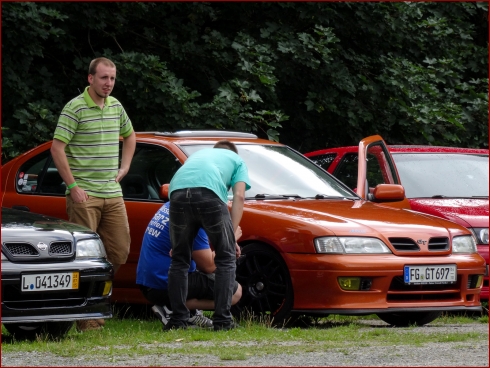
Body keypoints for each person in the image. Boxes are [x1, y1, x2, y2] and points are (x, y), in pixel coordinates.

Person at [51, 57, 136, 331]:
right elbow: (56, 148)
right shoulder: (74, 108)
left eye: (112, 78)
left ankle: (94, 300)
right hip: (84, 195)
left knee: (119, 251)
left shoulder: (116, 106)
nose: (108, 83)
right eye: (103, 78)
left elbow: (131, 136)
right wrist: (73, 186)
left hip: (112, 193)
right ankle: (86, 316)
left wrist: (125, 166)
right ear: (90, 79)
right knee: (84, 257)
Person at [166, 140, 250, 331]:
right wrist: (230, 236)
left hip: (177, 193)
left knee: (179, 260)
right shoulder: (237, 160)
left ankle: (178, 320)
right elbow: (239, 196)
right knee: (226, 259)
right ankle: (222, 321)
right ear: (234, 153)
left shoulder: (199, 156)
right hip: (209, 193)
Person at [136, 201, 243, 329]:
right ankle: (173, 308)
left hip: (147, 283)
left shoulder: (174, 204)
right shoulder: (195, 217)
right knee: (235, 292)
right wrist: (230, 240)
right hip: (164, 284)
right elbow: (209, 266)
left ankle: (188, 312)